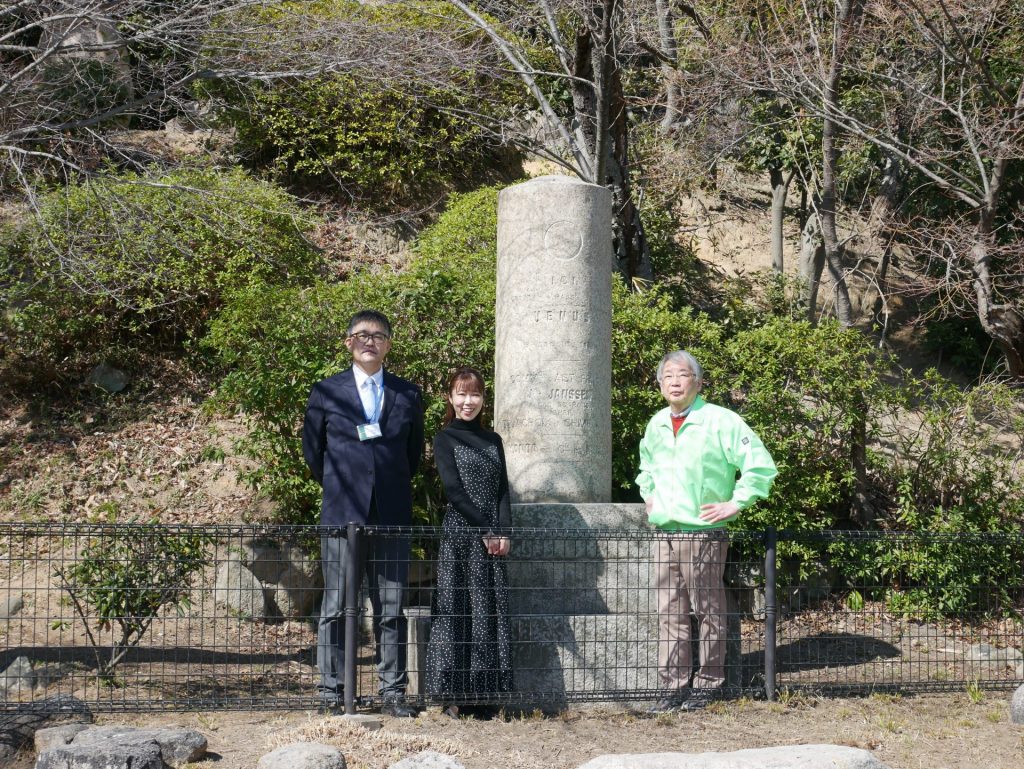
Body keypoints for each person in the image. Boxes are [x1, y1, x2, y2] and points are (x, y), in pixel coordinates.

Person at [636, 350, 777, 713]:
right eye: (667, 376)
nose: (675, 382)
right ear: (660, 384)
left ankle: (708, 683)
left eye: (682, 375)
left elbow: (760, 466)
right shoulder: (656, 424)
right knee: (669, 611)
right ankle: (673, 686)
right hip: (664, 531)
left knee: (708, 609)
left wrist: (736, 503)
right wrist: (649, 496)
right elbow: (646, 467)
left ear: (698, 382)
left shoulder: (721, 421)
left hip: (703, 533)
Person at [302, 309, 425, 718]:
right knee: (336, 606)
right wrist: (345, 488)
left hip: (392, 514)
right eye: (361, 334)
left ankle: (393, 692)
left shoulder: (408, 395)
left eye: (378, 335)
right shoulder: (326, 391)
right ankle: (331, 691)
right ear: (348, 342)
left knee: (391, 607)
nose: (369, 341)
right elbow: (313, 453)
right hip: (343, 515)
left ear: (389, 344)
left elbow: (412, 456)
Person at [426, 367, 513, 719]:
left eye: (474, 394)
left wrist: (505, 532)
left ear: (483, 399)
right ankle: (453, 694)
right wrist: (485, 530)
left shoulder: (494, 440)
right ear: (450, 397)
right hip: (462, 535)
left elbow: (504, 490)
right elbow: (454, 491)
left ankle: (486, 695)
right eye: (461, 394)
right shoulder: (444, 438)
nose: (468, 401)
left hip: (492, 539)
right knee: (457, 609)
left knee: (488, 611)